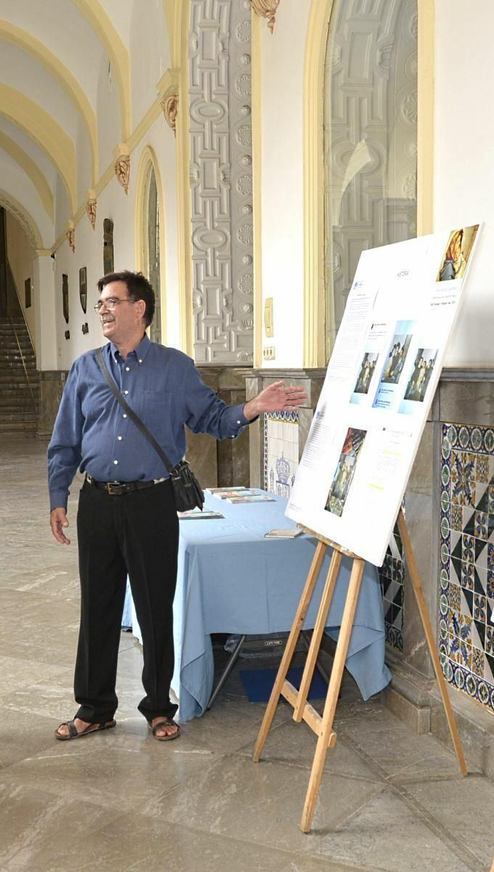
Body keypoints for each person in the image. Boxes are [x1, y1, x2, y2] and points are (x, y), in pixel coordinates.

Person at [47, 271, 307, 742]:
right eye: (100, 303)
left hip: (151, 500)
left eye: (111, 301)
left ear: (139, 309)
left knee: (154, 607)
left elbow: (214, 419)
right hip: (97, 503)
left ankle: (158, 707)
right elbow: (64, 440)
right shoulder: (86, 368)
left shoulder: (175, 367)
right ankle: (95, 706)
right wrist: (56, 496)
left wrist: (253, 407)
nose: (102, 310)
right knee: (98, 606)